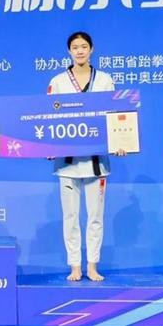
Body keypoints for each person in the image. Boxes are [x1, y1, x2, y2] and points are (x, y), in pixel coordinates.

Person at [48, 31, 123, 282]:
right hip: (67, 162)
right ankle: (74, 265)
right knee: (70, 216)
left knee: (95, 216)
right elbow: (46, 117)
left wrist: (121, 142)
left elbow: (115, 115)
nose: (79, 51)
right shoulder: (58, 81)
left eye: (83, 46)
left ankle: (92, 264)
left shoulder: (105, 80)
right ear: (69, 51)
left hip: (96, 161)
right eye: (75, 47)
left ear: (92, 49)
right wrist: (46, 146)